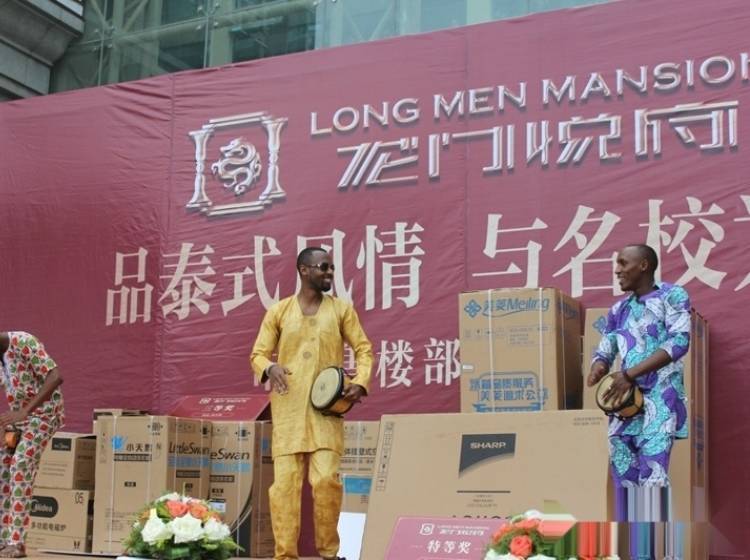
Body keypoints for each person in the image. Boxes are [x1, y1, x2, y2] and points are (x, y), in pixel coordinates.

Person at [250, 247, 373, 560]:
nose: (329, 273)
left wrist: (360, 381)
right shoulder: (279, 311)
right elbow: (258, 354)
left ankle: (330, 553)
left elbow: (363, 349)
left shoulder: (341, 310)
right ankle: (285, 556)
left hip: (326, 411)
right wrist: (269, 367)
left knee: (326, 481)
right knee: (284, 487)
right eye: (323, 267)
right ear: (304, 270)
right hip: (288, 410)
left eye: (331, 268)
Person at [587, 244, 690, 520]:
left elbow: (679, 342)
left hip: (660, 400)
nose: (617, 270)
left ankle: (655, 543)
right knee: (624, 480)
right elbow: (605, 348)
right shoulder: (618, 309)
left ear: (643, 265)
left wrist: (629, 374)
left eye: (623, 263)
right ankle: (633, 542)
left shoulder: (672, 296)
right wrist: (598, 367)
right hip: (624, 405)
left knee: (653, 478)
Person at [0, 331, 64, 558]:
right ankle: (4, 539)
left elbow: (55, 376)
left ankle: (17, 542)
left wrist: (25, 411)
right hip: (18, 418)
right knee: (3, 468)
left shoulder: (23, 342)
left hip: (44, 415)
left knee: (20, 466)